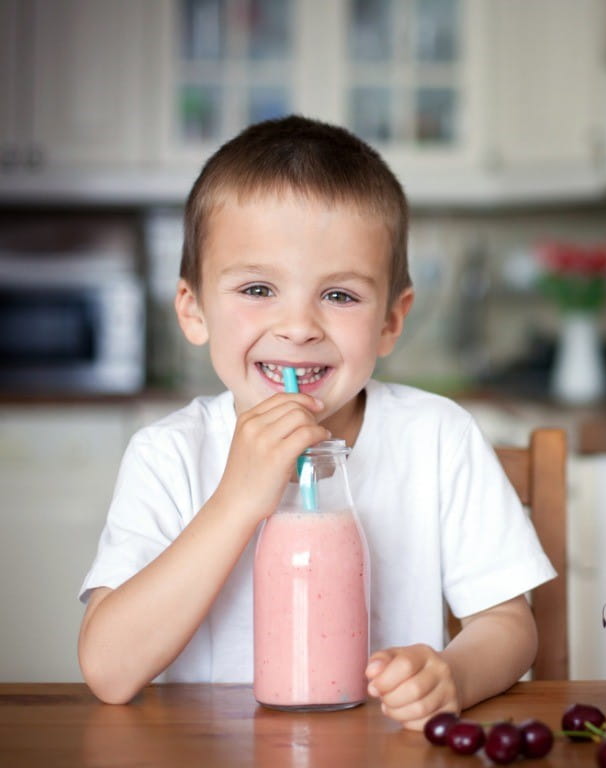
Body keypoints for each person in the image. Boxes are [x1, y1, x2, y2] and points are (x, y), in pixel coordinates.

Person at [77, 115, 555, 730]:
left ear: (390, 319)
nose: (299, 326)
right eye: (256, 289)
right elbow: (110, 672)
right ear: (192, 310)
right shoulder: (168, 455)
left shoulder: (437, 437)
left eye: (340, 296)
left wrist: (453, 675)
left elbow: (508, 626)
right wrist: (239, 497)